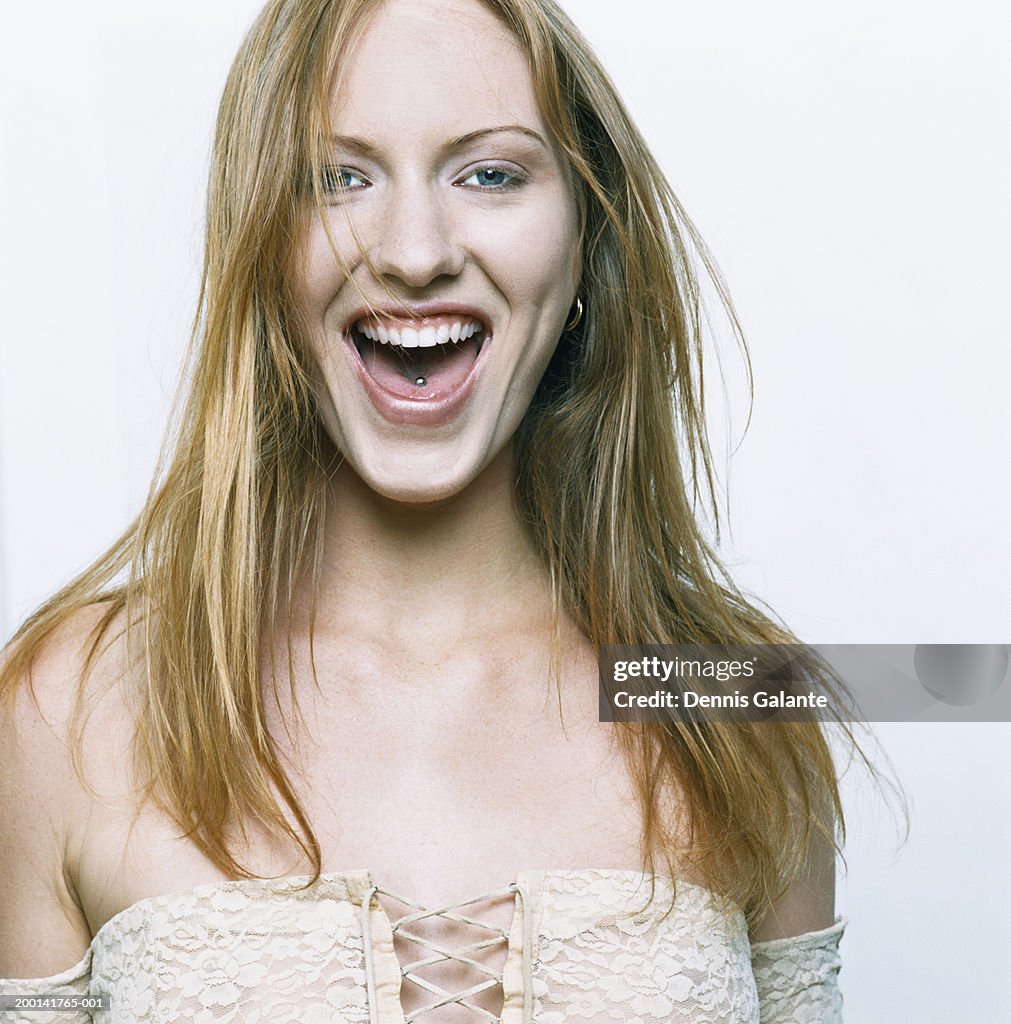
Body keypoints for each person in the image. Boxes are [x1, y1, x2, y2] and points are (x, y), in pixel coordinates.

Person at [0, 0, 854, 1020]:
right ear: (260, 250)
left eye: (490, 173)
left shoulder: (739, 700)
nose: (414, 251)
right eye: (339, 178)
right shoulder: (66, 709)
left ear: (586, 238)